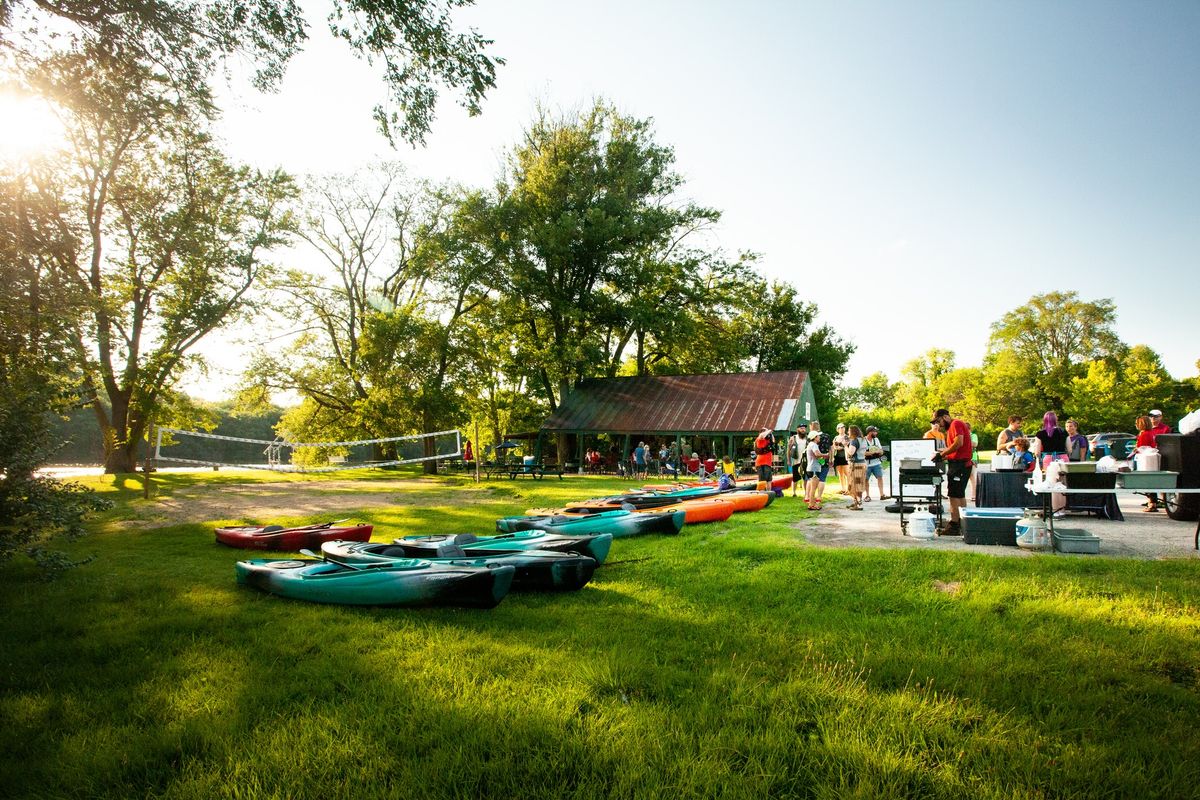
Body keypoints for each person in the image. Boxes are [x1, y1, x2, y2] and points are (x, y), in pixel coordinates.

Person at [929, 408, 973, 535]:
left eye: (939, 421)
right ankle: (962, 521)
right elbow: (956, 450)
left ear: (945, 417)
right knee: (959, 494)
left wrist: (942, 454)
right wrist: (944, 456)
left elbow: (959, 443)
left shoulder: (956, 424)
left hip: (960, 465)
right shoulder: (951, 428)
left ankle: (954, 524)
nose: (938, 424)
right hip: (959, 464)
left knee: (953, 495)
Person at [1134, 415, 1161, 511]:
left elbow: (1143, 448)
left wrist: (1135, 450)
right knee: (1151, 481)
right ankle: (1152, 502)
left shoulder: (1144, 434)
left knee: (1148, 482)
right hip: (1150, 459)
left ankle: (1152, 503)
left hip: (1146, 460)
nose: (1136, 425)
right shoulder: (1150, 433)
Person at [805, 429, 831, 510]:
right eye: (818, 436)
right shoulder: (814, 445)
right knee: (813, 488)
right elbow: (817, 454)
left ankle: (812, 504)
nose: (820, 437)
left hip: (813, 468)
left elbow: (816, 456)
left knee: (814, 487)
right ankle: (812, 505)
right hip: (814, 469)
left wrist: (822, 460)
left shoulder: (811, 444)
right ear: (815, 437)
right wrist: (826, 455)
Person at [845, 425, 867, 510]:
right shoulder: (863, 439)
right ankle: (856, 501)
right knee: (859, 483)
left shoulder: (854, 441)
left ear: (853, 432)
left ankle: (858, 503)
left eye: (849, 431)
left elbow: (851, 452)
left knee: (855, 484)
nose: (848, 432)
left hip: (856, 465)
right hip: (862, 463)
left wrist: (845, 446)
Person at [862, 425, 886, 501]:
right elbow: (862, 453)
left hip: (877, 463)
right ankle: (867, 496)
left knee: (880, 478)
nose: (876, 433)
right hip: (866, 464)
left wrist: (879, 451)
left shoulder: (876, 440)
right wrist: (873, 452)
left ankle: (882, 495)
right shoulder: (863, 440)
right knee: (866, 480)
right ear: (870, 432)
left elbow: (881, 451)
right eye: (875, 432)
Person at [786, 421, 809, 497]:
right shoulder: (793, 438)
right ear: (797, 429)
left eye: (804, 428)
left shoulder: (808, 438)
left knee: (805, 478)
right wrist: (788, 460)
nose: (803, 430)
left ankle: (806, 493)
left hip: (805, 461)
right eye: (801, 428)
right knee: (795, 478)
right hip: (796, 461)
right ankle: (794, 492)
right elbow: (788, 450)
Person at [754, 426, 775, 490]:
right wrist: (769, 430)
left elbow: (773, 441)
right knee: (762, 480)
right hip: (761, 463)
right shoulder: (759, 439)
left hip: (768, 463)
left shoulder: (768, 440)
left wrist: (771, 433)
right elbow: (761, 435)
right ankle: (760, 493)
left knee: (769, 480)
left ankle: (769, 494)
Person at [831, 423, 849, 493]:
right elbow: (834, 447)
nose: (841, 429)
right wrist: (838, 447)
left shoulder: (847, 437)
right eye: (840, 428)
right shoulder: (835, 437)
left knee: (847, 473)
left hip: (845, 457)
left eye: (843, 427)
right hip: (837, 457)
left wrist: (839, 447)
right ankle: (843, 489)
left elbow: (845, 445)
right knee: (840, 473)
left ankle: (849, 489)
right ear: (837, 429)